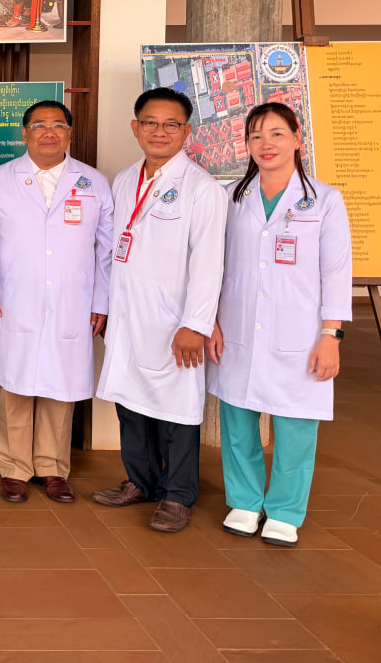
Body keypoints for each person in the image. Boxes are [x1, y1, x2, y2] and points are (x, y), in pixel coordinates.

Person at [207, 102, 351, 547]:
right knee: (237, 420)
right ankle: (245, 502)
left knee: (295, 426)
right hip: (236, 328)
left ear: (297, 139)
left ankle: (285, 510)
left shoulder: (324, 200)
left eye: (276, 134)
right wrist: (210, 321)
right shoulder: (231, 197)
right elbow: (213, 265)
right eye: (255, 136)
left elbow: (336, 273)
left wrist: (331, 335)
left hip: (301, 333)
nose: (265, 144)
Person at [91, 87, 226, 533]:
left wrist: (195, 324)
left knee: (176, 410)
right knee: (130, 403)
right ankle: (141, 481)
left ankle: (178, 495)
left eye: (171, 124)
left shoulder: (202, 189)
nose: (159, 131)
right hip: (127, 315)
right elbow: (113, 250)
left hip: (173, 321)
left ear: (187, 132)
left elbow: (209, 263)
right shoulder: (125, 179)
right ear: (136, 128)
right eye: (150, 122)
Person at [0, 101, 114, 503]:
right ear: (24, 134)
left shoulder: (93, 182)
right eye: (39, 125)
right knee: (14, 384)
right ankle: (14, 469)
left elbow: (107, 250)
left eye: (58, 125)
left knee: (61, 383)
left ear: (70, 133)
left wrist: (101, 300)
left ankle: (53, 468)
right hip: (11, 299)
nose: (48, 133)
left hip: (73, 300)